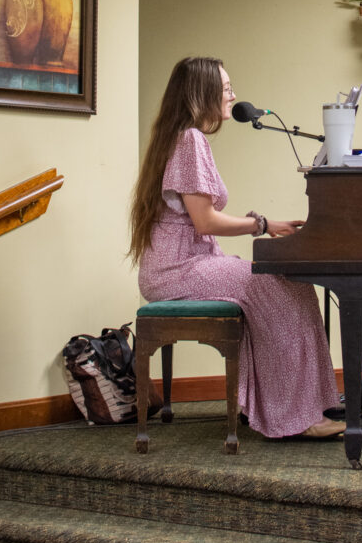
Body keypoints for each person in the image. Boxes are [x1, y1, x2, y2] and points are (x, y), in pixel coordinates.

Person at [128, 56, 343, 439]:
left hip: (186, 263)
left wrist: (262, 224)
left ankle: (302, 403)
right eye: (227, 89)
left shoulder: (180, 137)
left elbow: (199, 219)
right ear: (203, 93)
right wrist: (261, 224)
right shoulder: (189, 139)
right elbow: (205, 221)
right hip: (176, 270)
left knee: (288, 283)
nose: (233, 95)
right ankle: (297, 415)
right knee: (278, 286)